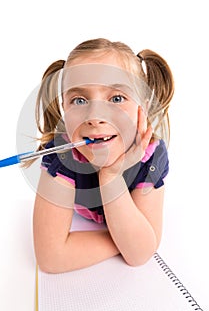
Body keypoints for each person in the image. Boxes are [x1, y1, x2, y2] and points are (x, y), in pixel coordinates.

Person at [31, 38, 174, 273]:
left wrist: (110, 177)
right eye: (79, 100)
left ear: (143, 109)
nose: (95, 117)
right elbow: (51, 258)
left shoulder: (151, 156)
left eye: (116, 98)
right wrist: (125, 239)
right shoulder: (63, 156)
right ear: (64, 109)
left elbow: (139, 256)